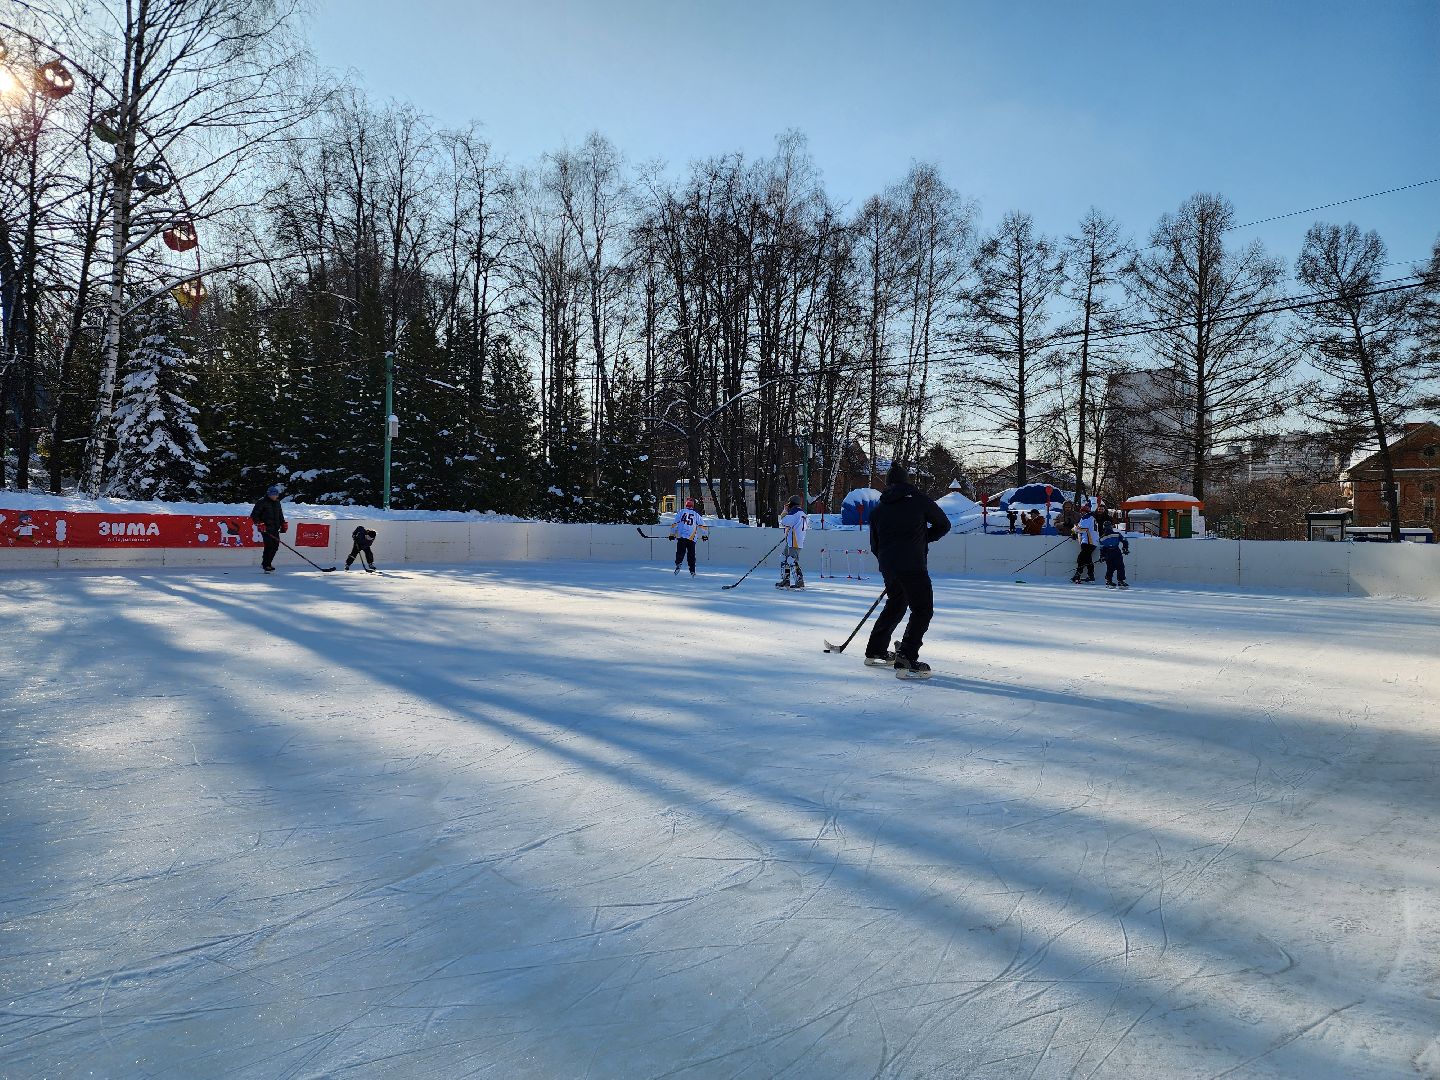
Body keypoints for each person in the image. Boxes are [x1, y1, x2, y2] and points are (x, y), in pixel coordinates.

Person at [863, 465, 951, 679]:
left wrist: (889, 561)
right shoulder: (919, 500)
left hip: (889, 565)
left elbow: (875, 545)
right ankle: (907, 656)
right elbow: (943, 524)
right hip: (912, 564)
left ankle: (876, 649)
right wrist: (922, 539)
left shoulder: (878, 509)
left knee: (896, 604)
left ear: (888, 484)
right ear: (906, 481)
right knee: (922, 610)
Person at [249, 484, 287, 574]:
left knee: (275, 546)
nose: (275, 496)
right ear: (269, 494)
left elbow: (280, 514)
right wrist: (259, 523)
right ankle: (266, 565)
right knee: (269, 546)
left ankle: (267, 563)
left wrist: (283, 523)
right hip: (266, 528)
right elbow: (254, 515)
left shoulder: (277, 502)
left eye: (276, 495)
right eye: (273, 495)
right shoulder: (262, 502)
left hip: (275, 528)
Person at [669, 498, 707, 576]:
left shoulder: (681, 512)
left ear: (686, 505)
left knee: (680, 552)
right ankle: (692, 570)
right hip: (691, 537)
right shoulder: (696, 514)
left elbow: (675, 524)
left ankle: (678, 563)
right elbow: (702, 525)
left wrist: (672, 534)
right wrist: (704, 535)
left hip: (682, 536)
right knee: (691, 554)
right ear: (693, 505)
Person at [777, 495, 808, 589]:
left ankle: (799, 581)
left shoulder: (794, 513)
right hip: (793, 540)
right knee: (784, 558)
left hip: (794, 541)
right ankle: (786, 580)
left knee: (791, 560)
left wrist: (785, 511)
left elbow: (784, 522)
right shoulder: (802, 513)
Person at [1072, 506, 1098, 583]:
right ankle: (1090, 576)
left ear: (1087, 512)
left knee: (1081, 558)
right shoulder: (1091, 518)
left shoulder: (1087, 518)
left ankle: (1078, 575)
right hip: (1091, 541)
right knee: (1087, 559)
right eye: (1081, 511)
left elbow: (1082, 529)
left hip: (1088, 541)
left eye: (1083, 511)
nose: (1082, 513)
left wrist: (1074, 530)